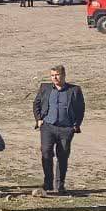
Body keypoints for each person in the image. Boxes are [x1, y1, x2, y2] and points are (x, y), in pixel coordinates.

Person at [32, 65, 86, 195]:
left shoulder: (74, 90)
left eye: (57, 75)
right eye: (52, 75)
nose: (54, 78)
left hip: (66, 129)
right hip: (48, 127)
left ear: (63, 75)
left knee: (63, 156)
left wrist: (75, 125)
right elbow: (36, 103)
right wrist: (39, 119)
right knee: (46, 153)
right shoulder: (45, 88)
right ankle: (48, 182)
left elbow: (80, 109)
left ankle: (60, 185)